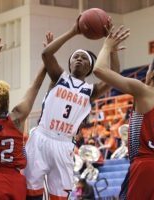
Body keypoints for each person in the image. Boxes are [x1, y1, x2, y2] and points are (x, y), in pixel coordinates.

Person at [24, 19, 123, 199]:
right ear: (69, 64)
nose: (78, 59)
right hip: (42, 137)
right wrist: (73, 31)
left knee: (59, 195)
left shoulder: (91, 91)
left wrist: (111, 49)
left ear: (90, 68)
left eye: (83, 58)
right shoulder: (58, 78)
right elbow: (46, 54)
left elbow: (114, 76)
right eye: (75, 57)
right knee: (31, 193)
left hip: (64, 144)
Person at [93, 25, 154, 199]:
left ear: (151, 75)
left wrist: (107, 46)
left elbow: (99, 70)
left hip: (147, 167)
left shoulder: (144, 90)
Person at [0, 35, 50, 199]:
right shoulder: (17, 118)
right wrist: (47, 59)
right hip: (16, 181)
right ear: (8, 100)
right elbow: (35, 87)